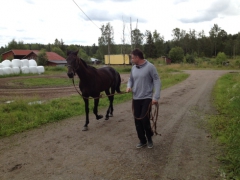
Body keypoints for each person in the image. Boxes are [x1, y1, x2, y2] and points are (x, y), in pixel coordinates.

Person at [126, 48, 161, 149]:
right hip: (136, 97)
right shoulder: (133, 68)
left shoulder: (150, 67)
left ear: (137, 57)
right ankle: (142, 140)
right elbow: (130, 80)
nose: (131, 60)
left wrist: (156, 97)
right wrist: (129, 86)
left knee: (144, 119)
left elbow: (157, 81)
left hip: (147, 97)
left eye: (132, 58)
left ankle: (149, 138)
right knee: (137, 120)